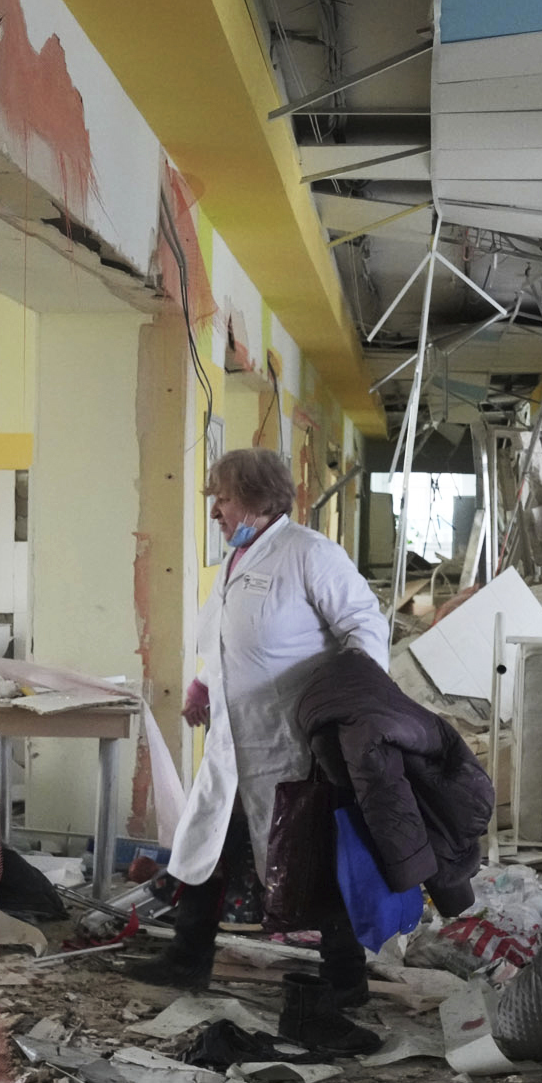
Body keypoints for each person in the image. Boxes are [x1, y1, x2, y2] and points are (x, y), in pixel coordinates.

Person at [125, 448, 389, 1047]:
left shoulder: (310, 554)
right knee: (205, 846)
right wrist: (202, 684)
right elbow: (226, 637)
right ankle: (188, 959)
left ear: (261, 498)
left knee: (313, 860)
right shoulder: (239, 554)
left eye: (223, 497)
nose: (215, 510)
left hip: (291, 742)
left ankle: (345, 981)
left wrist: (355, 707)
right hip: (232, 741)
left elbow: (365, 628)